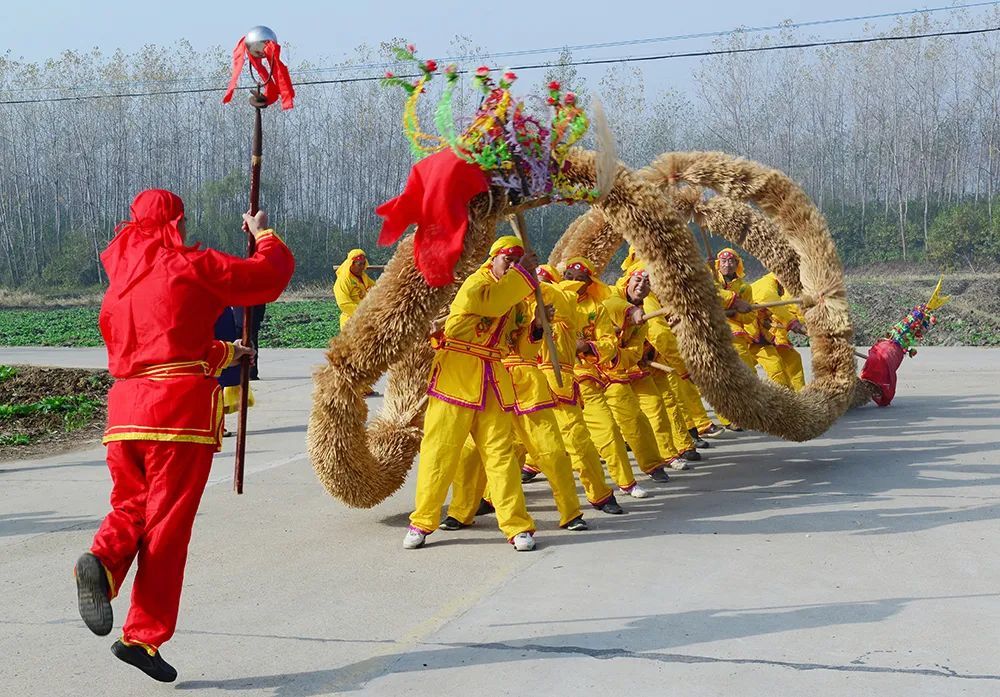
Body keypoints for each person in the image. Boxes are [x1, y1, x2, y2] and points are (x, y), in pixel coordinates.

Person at [73, 189, 294, 683]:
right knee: (167, 525)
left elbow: (162, 346)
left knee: (131, 506)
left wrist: (225, 354)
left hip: (126, 412)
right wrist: (264, 236)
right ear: (177, 221)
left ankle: (104, 564)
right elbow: (267, 279)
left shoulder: (119, 287)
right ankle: (142, 637)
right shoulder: (189, 263)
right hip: (176, 418)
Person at [404, 236, 539, 551]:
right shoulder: (476, 285)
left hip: (492, 384)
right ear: (492, 259)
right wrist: (525, 276)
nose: (513, 265)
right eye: (508, 258)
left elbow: (519, 346)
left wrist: (535, 330)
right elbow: (490, 303)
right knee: (440, 453)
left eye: (519, 260)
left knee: (501, 457)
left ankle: (518, 526)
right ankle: (422, 522)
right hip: (457, 378)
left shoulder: (516, 301)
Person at [561, 257, 654, 497]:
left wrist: (585, 347)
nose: (575, 283)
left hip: (590, 376)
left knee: (611, 428)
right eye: (570, 278)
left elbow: (609, 344)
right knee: (532, 443)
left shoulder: (597, 307)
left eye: (581, 279)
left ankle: (627, 481)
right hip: (546, 381)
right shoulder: (549, 302)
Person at [333, 248, 376, 330]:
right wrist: (363, 312)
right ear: (351, 264)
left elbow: (377, 288)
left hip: (366, 319)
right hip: (351, 322)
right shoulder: (343, 280)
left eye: (364, 264)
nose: (362, 267)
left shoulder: (363, 277)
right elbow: (343, 304)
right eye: (359, 264)